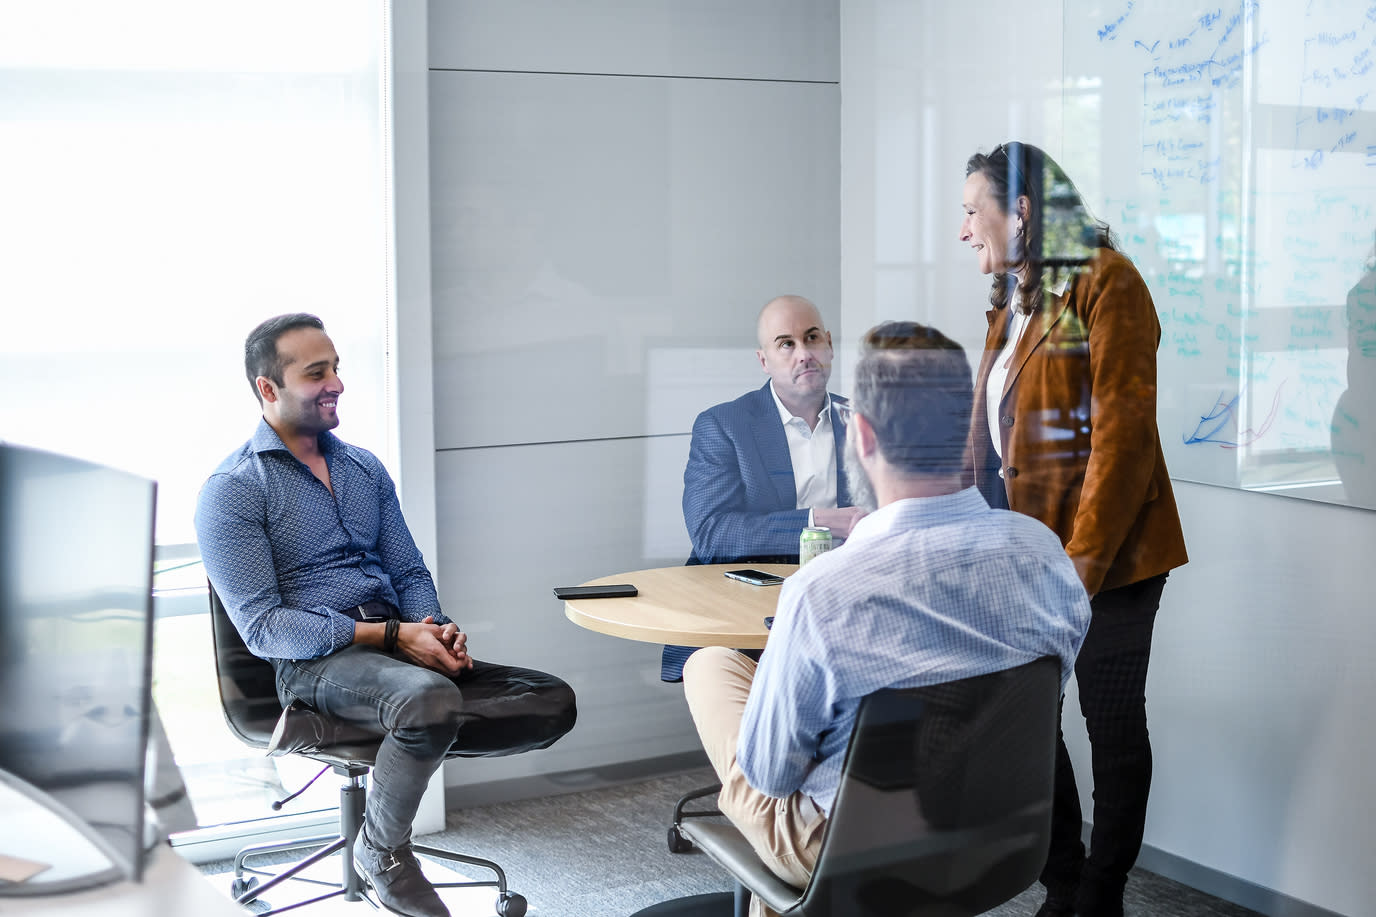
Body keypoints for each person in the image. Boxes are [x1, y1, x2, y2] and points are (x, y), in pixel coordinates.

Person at [681, 321, 1092, 917]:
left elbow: (771, 777)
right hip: (997, 833)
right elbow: (1045, 691)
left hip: (857, 854)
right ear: (971, 432)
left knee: (712, 665)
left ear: (863, 435)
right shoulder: (1044, 552)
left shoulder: (822, 593)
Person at [195, 314, 577, 917]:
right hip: (316, 662)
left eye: (338, 368)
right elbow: (266, 628)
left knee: (551, 700)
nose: (337, 384)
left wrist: (434, 629)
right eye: (316, 373)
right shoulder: (234, 489)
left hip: (400, 648)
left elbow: (408, 572)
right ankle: (382, 852)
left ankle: (420, 717)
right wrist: (394, 634)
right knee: (425, 700)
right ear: (268, 389)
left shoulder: (363, 469)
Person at [958, 141, 1189, 917]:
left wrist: (1080, 569)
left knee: (1113, 724)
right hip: (1023, 557)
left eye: (972, 211)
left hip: (1111, 561)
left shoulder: (1108, 283)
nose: (964, 230)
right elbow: (985, 434)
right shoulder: (1014, 297)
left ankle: (1102, 892)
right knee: (1026, 723)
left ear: (1021, 210)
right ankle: (1064, 876)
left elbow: (1122, 442)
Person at [670, 295, 866, 681]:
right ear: (764, 360)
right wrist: (821, 522)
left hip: (845, 609)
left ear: (828, 344)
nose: (804, 354)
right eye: (786, 344)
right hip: (747, 617)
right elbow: (713, 534)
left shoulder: (864, 421)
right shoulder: (725, 425)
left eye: (812, 339)